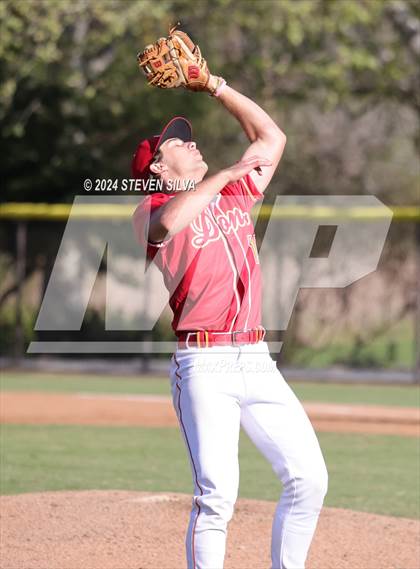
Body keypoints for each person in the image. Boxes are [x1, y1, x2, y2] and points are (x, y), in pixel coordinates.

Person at [131, 77, 328, 569]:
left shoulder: (233, 196)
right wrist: (222, 175)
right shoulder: (148, 208)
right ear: (158, 166)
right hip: (204, 363)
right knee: (217, 497)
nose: (191, 142)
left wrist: (216, 86)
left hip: (258, 360)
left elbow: (272, 138)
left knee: (310, 478)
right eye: (176, 143)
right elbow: (166, 226)